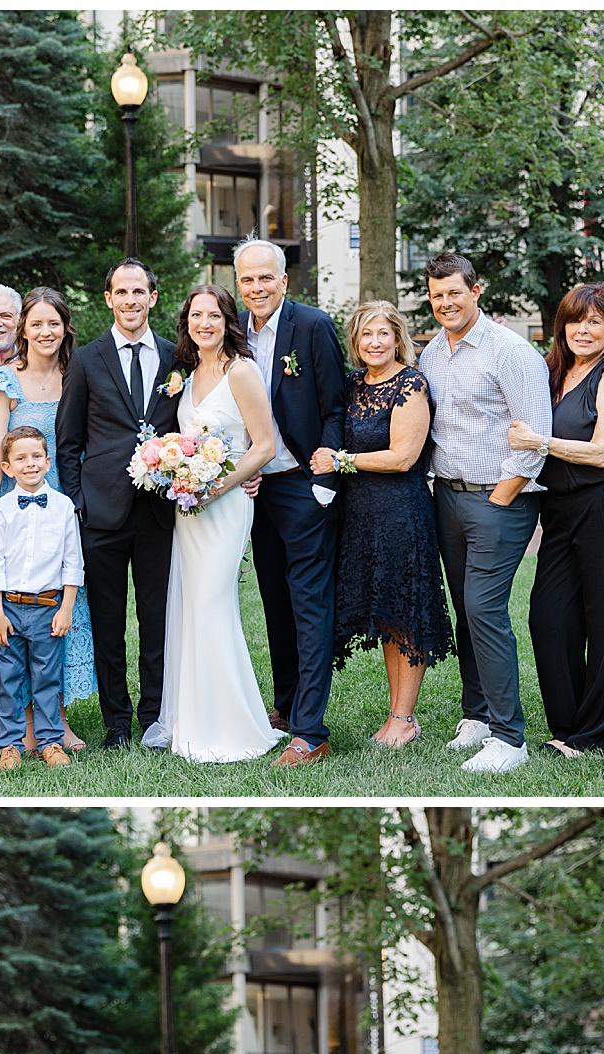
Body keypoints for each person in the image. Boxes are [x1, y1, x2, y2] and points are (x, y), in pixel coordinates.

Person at [417, 252, 552, 774]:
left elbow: (534, 435)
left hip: (503, 498)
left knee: (484, 609)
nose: (445, 302)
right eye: (436, 295)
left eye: (454, 292)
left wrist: (501, 495)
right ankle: (475, 715)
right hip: (446, 496)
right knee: (464, 610)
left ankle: (508, 736)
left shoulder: (511, 352)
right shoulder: (432, 352)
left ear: (476, 291)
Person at [141, 283, 280, 763]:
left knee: (210, 604)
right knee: (189, 607)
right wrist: (173, 467)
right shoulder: (186, 372)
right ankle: (191, 718)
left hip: (226, 503)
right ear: (187, 323)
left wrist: (219, 486)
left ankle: (231, 725)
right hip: (189, 506)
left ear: (228, 322)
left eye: (214, 316)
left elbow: (264, 445)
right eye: (196, 315)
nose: (205, 323)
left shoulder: (241, 371)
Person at [506, 283, 604, 757]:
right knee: (549, 618)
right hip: (560, 512)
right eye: (574, 321)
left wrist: (540, 442)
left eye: (594, 322)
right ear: (560, 327)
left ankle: (601, 736)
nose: (582, 330)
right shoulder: (553, 373)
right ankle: (567, 730)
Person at [54, 258, 182, 749]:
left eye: (139, 292)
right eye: (121, 292)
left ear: (153, 297)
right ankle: (117, 723)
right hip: (101, 514)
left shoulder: (176, 358)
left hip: (159, 510)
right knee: (108, 626)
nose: (130, 300)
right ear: (108, 299)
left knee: (156, 620)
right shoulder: (87, 359)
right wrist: (79, 504)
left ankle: (154, 718)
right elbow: (68, 441)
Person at [315, 300, 453, 746]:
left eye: (383, 334)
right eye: (366, 334)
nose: (375, 342)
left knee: (405, 614)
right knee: (385, 616)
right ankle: (398, 716)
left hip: (400, 512)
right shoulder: (353, 384)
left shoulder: (411, 385)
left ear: (398, 339)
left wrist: (342, 459)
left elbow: (403, 457)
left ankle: (403, 718)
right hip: (358, 516)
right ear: (355, 342)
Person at [235, 235, 347, 767]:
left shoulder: (313, 326)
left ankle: (311, 729)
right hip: (258, 489)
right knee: (275, 602)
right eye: (247, 279)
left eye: (265, 278)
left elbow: (334, 406)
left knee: (308, 604)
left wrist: (323, 472)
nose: (256, 287)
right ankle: (284, 705)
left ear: (284, 280)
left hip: (303, 483)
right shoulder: (236, 332)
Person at [0, 286, 96, 749]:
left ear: (66, 328)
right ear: (23, 328)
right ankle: (22, 720)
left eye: (54, 323)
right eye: (36, 323)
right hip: (13, 506)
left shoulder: (78, 375)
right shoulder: (2, 382)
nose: (45, 331)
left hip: (64, 504)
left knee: (62, 611)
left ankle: (56, 718)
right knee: (16, 606)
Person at [0, 425, 84, 772]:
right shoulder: (1, 510)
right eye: (21, 458)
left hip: (48, 608)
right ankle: (9, 744)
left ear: (48, 461)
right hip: (8, 607)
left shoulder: (63, 506)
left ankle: (50, 741)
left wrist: (66, 608)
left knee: (47, 678)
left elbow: (73, 561)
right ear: (7, 467)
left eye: (36, 456)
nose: (30, 464)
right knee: (8, 679)